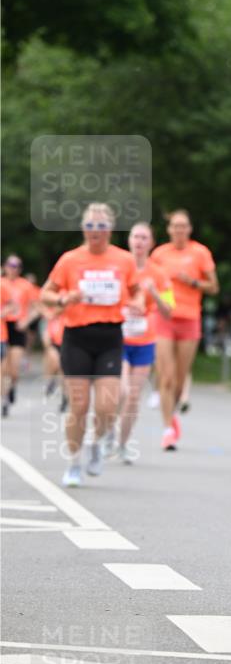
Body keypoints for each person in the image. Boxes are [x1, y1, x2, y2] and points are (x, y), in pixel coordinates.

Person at [40, 204, 141, 487]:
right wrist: (63, 299)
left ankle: (96, 444)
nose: (95, 232)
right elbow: (46, 293)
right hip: (77, 337)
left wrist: (138, 305)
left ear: (110, 229)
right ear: (83, 229)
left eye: (101, 226)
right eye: (90, 226)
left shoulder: (123, 260)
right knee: (79, 405)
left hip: (110, 336)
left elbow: (137, 292)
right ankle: (74, 462)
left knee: (108, 406)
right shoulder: (70, 260)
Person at [151, 210, 218, 450]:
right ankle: (168, 429)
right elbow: (150, 284)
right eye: (175, 226)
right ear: (169, 229)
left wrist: (191, 282)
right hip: (164, 319)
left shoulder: (200, 252)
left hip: (190, 319)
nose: (179, 230)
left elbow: (213, 286)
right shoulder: (159, 254)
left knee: (179, 380)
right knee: (166, 377)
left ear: (189, 229)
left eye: (183, 226)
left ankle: (174, 413)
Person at [116, 222, 174, 463]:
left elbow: (169, 310)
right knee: (121, 390)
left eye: (144, 238)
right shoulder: (118, 268)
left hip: (145, 341)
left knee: (133, 396)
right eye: (135, 237)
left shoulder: (159, 274)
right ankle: (108, 430)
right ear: (129, 241)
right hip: (118, 338)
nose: (139, 242)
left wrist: (154, 293)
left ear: (151, 243)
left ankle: (122, 443)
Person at [1, 255, 38, 416]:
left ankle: (12, 388)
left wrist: (26, 321)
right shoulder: (1, 283)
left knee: (14, 369)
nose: (13, 268)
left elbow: (36, 308)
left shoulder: (26, 285)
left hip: (18, 327)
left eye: (17, 266)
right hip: (2, 326)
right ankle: (4, 400)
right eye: (10, 265)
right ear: (5, 266)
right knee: (3, 367)